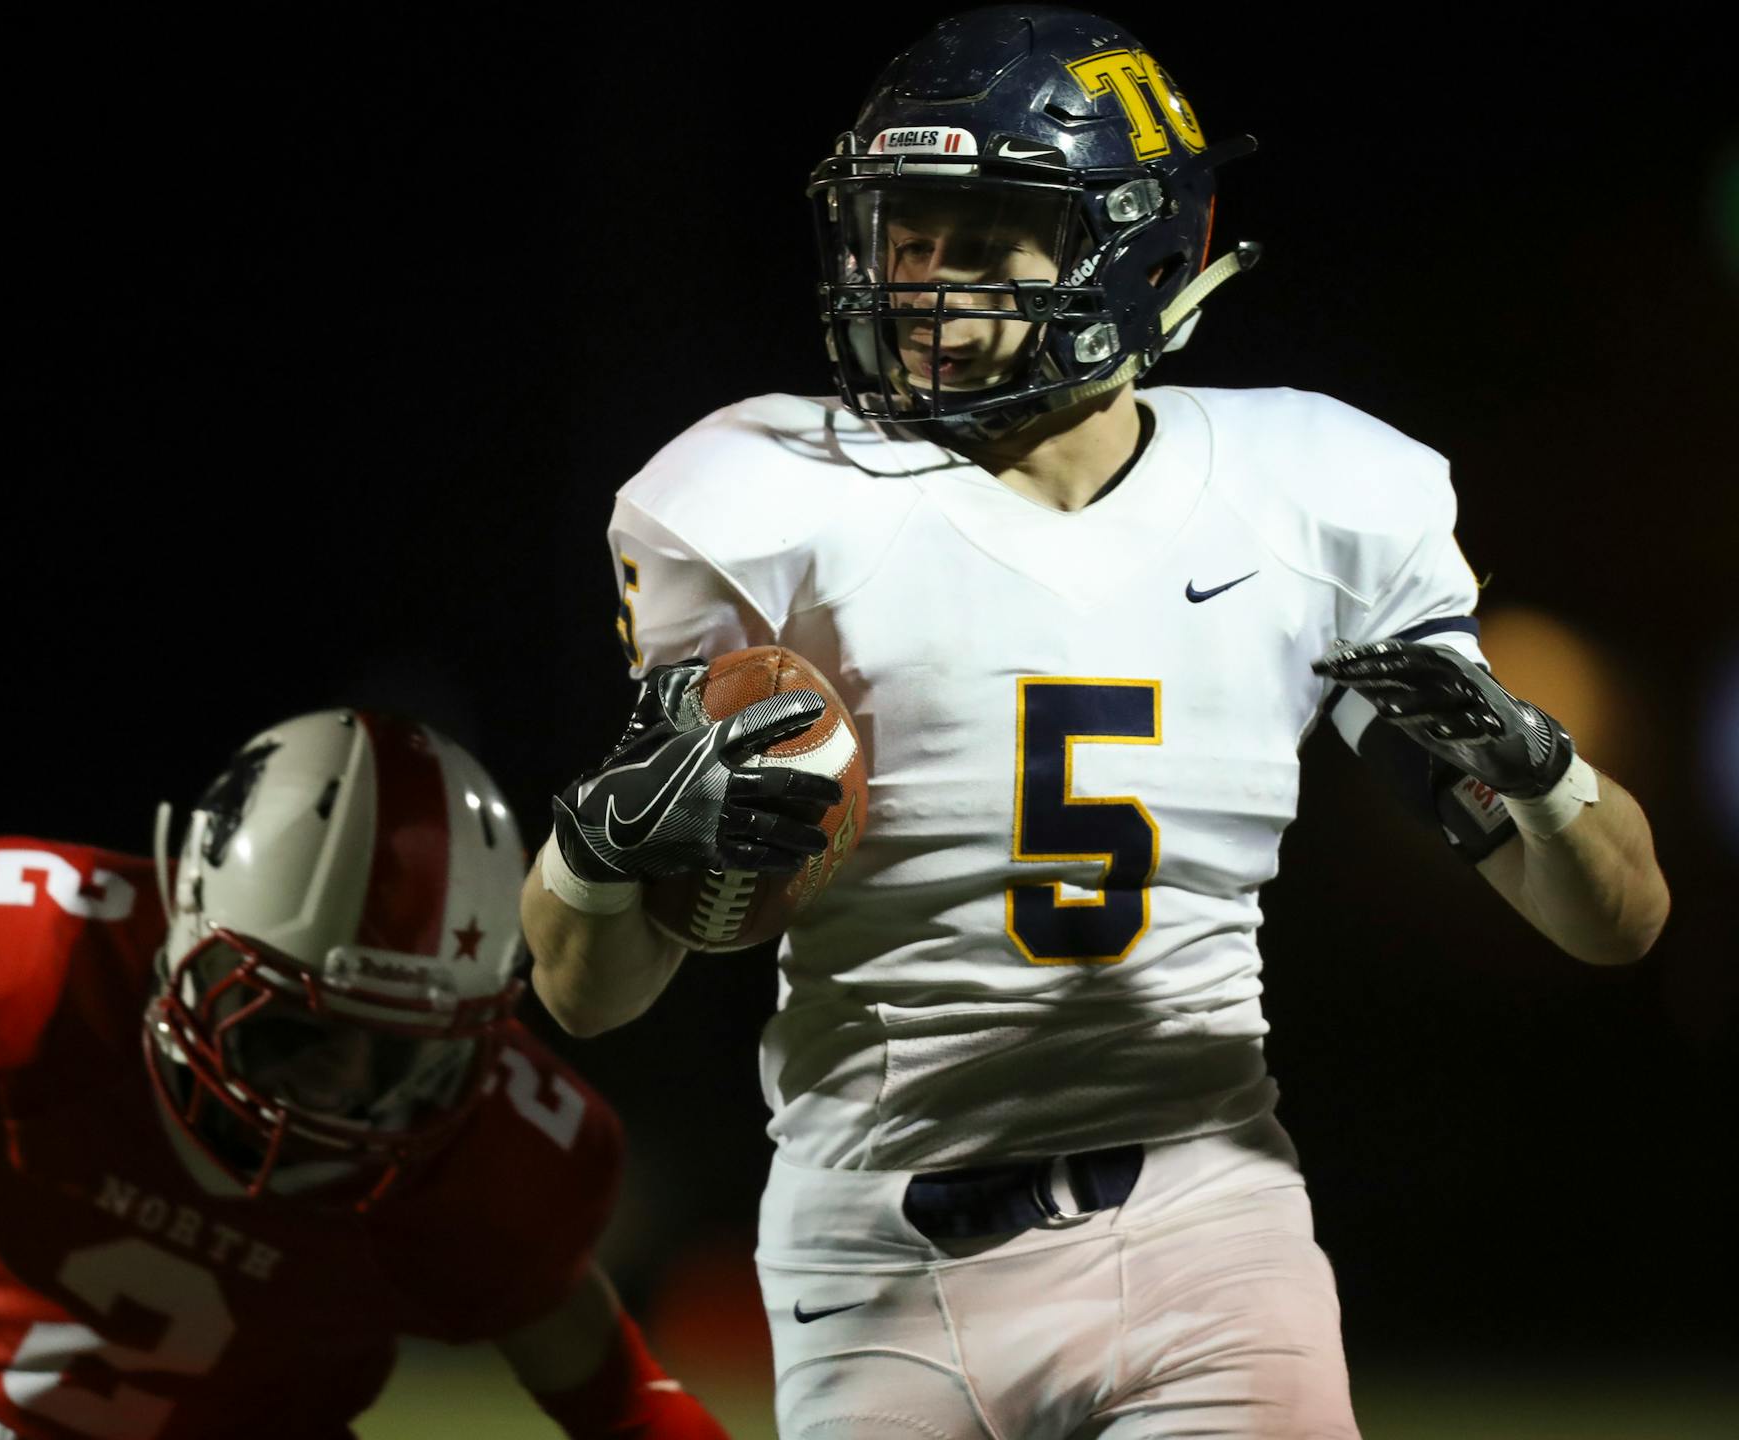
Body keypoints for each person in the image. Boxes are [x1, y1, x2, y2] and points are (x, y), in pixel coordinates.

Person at [520, 8, 1671, 1438]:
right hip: (880, 1248)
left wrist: (1545, 779)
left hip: (1210, 1226)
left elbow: (1615, 920)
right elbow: (586, 993)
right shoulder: (760, 500)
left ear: (1134, 252)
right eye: (901, 230)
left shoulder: (1312, 495)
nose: (917, 274)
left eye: (979, 232)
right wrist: (597, 850)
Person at [0, 710, 732, 1440]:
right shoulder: (36, 981)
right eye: (296, 1034)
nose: (341, 1096)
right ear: (185, 938)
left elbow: (626, 1405)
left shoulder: (491, 1158)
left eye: (399, 1054)